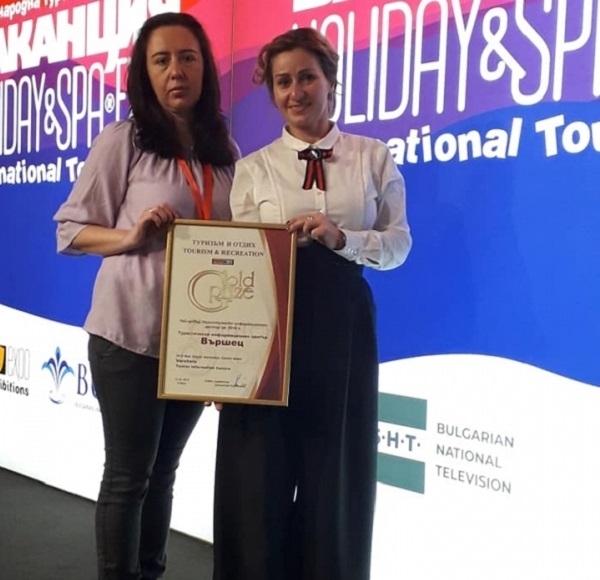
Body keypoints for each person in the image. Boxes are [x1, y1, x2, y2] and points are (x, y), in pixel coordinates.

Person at [212, 27, 412, 580]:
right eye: (282, 82)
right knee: (257, 477)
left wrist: (341, 237)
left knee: (336, 471)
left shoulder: (372, 157)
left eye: (306, 77)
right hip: (267, 328)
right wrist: (225, 366)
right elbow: (236, 265)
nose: (295, 92)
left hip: (342, 325)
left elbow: (398, 245)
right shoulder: (253, 168)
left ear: (330, 81)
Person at [53, 12, 237, 580]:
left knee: (163, 475)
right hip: (129, 335)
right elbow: (70, 231)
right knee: (129, 476)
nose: (176, 70)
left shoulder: (223, 150)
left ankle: (149, 573)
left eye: (188, 57)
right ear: (145, 73)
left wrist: (232, 356)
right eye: (162, 60)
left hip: (194, 346)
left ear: (204, 68)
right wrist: (131, 236)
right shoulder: (125, 140)